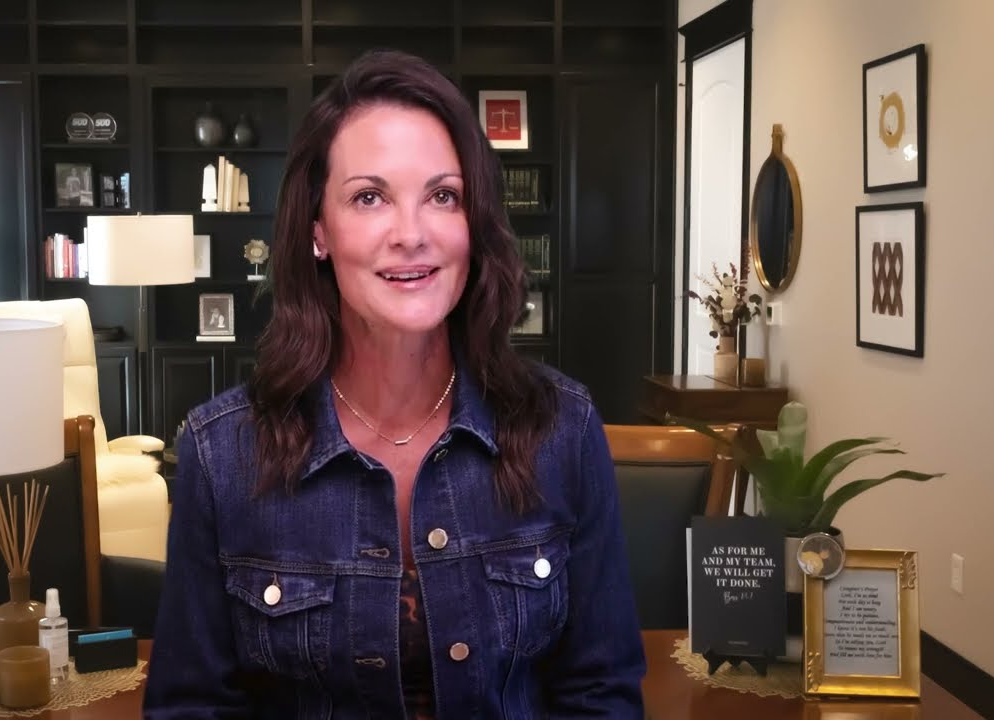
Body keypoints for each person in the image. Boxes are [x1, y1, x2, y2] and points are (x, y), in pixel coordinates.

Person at [144, 49, 645, 718]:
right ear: (319, 230)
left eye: (443, 195)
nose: (411, 235)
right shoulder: (221, 452)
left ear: (473, 224)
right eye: (370, 197)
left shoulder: (564, 427)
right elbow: (191, 707)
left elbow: (600, 694)